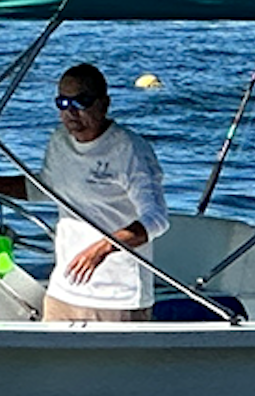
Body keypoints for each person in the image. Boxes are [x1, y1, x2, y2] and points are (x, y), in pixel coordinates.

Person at [41, 63, 165, 323]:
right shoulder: (59, 141)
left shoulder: (129, 149)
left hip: (117, 297)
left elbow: (156, 219)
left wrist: (101, 249)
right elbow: (45, 187)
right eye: (62, 103)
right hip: (62, 293)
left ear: (104, 103)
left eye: (81, 101)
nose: (71, 112)